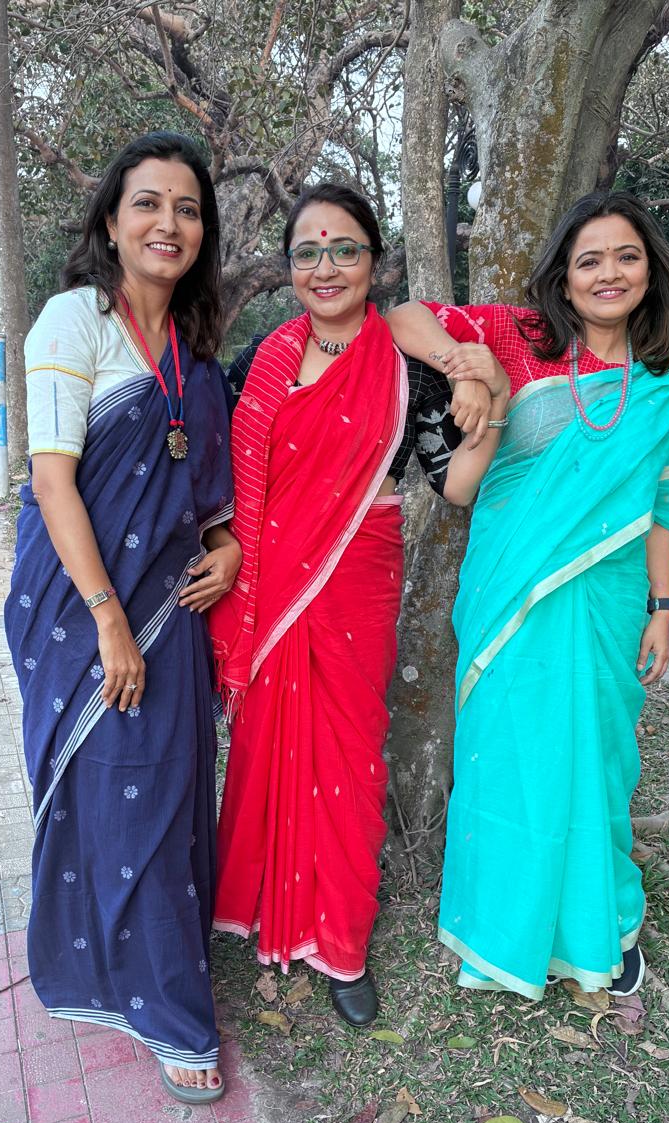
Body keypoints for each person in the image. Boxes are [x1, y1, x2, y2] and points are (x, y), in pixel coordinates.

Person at [387, 190, 669, 1001]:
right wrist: (469, 366)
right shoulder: (520, 335)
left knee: (597, 760)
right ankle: (503, 929)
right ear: (565, 278)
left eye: (626, 257)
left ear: (649, 273)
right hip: (508, 594)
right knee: (510, 755)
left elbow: (668, 507)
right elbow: (404, 316)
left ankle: (595, 925)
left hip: (610, 603)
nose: (609, 274)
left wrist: (662, 608)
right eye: (590, 261)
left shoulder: (663, 386)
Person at [209, 183, 505, 1026]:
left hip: (359, 578)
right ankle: (257, 909)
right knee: (266, 741)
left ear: (375, 261)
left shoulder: (409, 367)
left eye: (346, 249)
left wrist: (490, 401)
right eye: (308, 252)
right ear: (290, 267)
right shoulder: (261, 362)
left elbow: (455, 486)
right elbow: (217, 475)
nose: (327, 267)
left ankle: (339, 939)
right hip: (273, 581)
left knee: (349, 756)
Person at [4, 131, 241, 1102]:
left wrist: (228, 548)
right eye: (148, 203)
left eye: (187, 208)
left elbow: (207, 496)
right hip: (79, 606)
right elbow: (53, 482)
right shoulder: (75, 321)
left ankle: (138, 956)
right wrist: (106, 619)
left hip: (172, 608)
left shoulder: (193, 353)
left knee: (166, 793)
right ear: (111, 221)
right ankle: (168, 1010)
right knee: (116, 787)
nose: (167, 223)